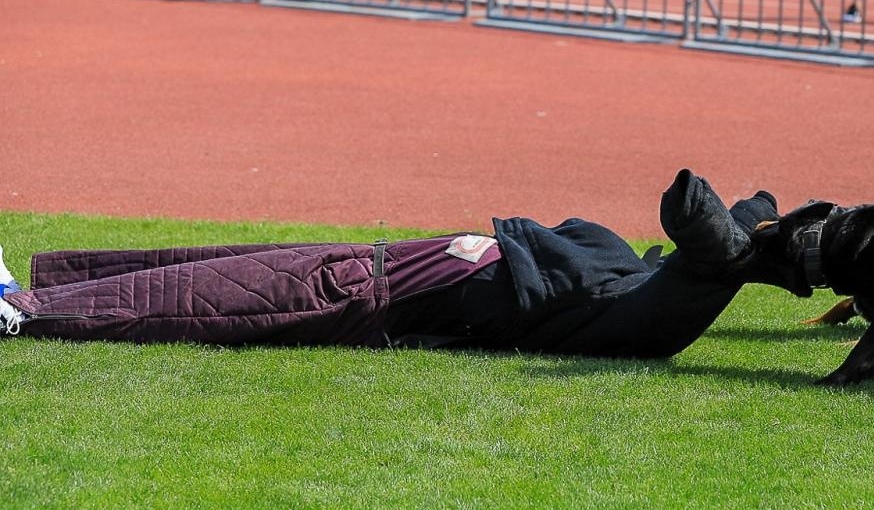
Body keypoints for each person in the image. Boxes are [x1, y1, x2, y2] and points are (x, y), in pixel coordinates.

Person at [0, 173, 777, 362]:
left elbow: (695, 263)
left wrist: (743, 248)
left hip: (371, 294)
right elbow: (702, 244)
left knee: (201, 300)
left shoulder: (630, 314)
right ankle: (50, 284)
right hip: (374, 260)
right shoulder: (630, 272)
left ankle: (25, 311)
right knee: (206, 266)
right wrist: (761, 228)